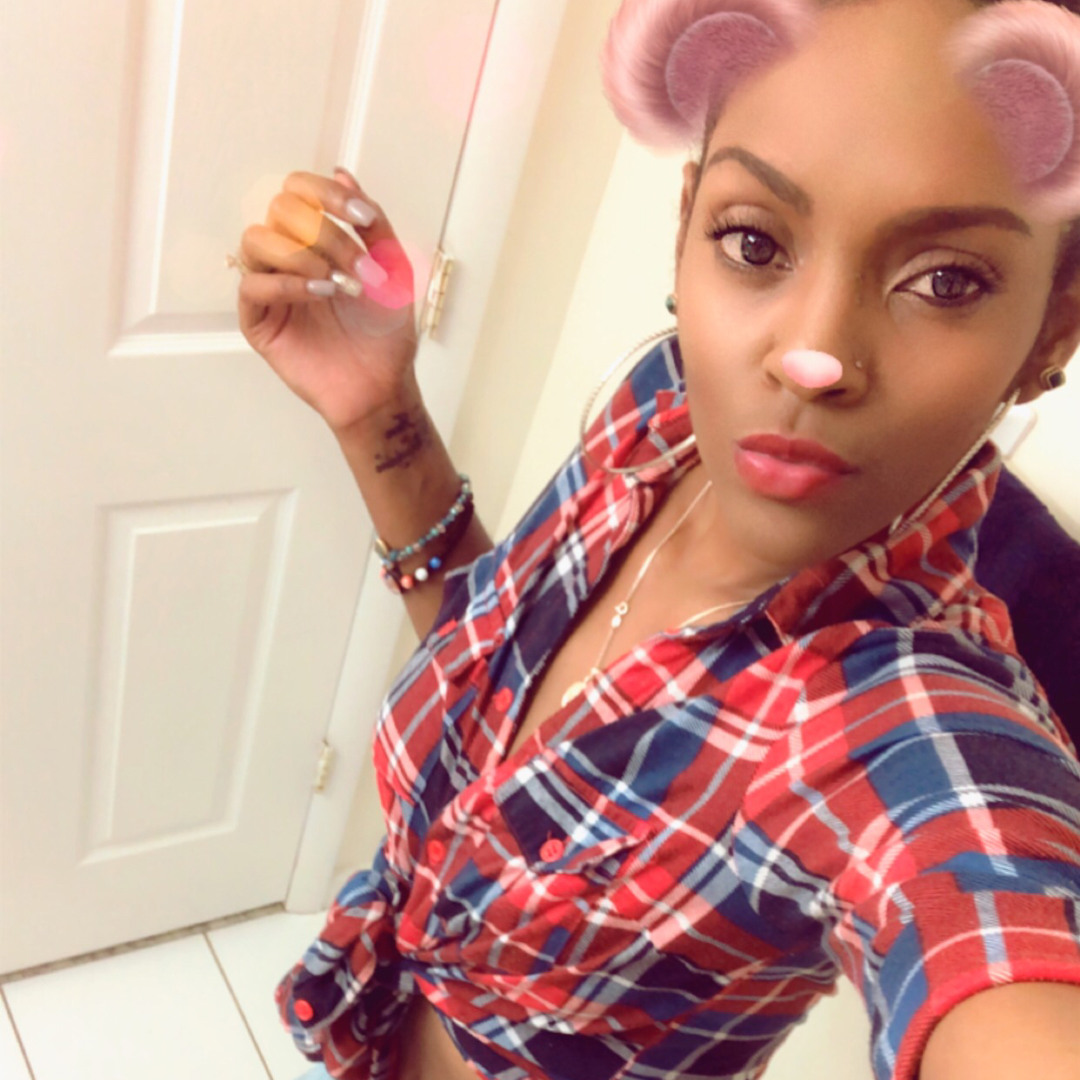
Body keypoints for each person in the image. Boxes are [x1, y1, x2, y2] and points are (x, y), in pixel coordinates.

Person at [234, 0, 1080, 1077]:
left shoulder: (900, 716)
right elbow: (491, 661)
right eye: (754, 242)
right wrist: (377, 413)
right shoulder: (659, 414)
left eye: (946, 280)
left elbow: (985, 912)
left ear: (1052, 330)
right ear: (687, 227)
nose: (813, 356)